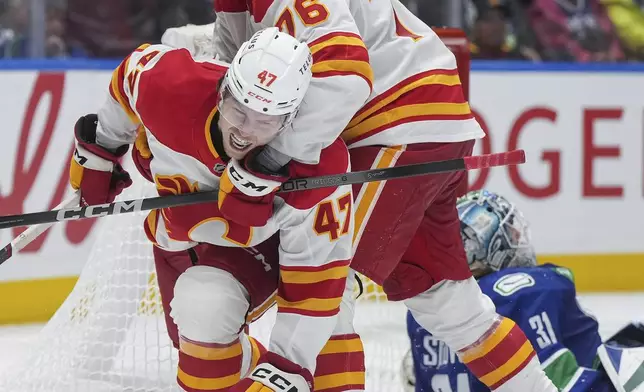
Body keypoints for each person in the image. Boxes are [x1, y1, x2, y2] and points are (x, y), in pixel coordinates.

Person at [162, 1, 557, 390]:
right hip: (427, 121)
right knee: (449, 303)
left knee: (329, 280)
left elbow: (345, 77)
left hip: (394, 122)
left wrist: (268, 162)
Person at [67, 27, 365, 392]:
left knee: (330, 335)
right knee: (203, 309)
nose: (243, 131)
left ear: (291, 122)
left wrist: (287, 370)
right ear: (223, 89)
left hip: (287, 250)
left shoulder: (320, 169)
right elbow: (131, 74)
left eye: (265, 120)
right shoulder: (171, 87)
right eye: (238, 110)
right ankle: (246, 362)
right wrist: (103, 146)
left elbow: (315, 289)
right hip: (199, 245)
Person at [404, 189, 644, 392]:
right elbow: (559, 380)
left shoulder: (424, 312)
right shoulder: (528, 289)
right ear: (491, 246)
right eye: (510, 233)